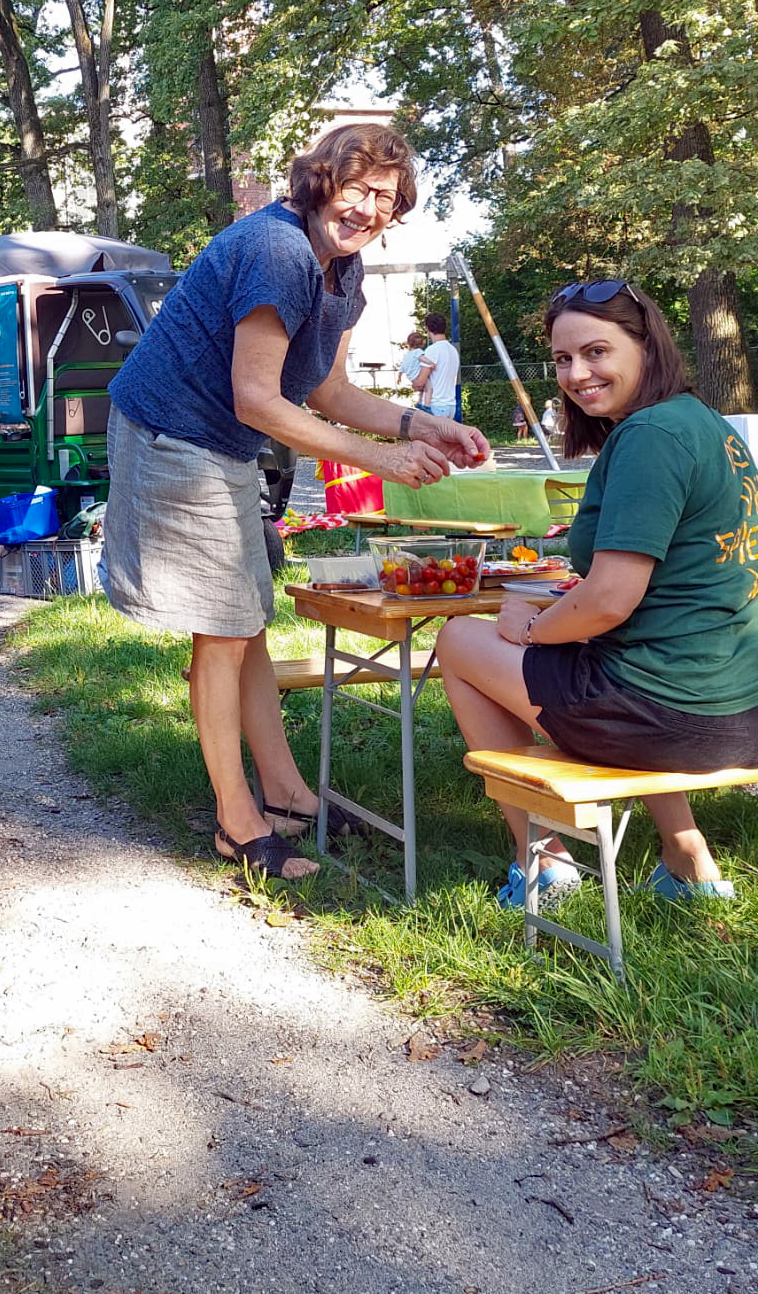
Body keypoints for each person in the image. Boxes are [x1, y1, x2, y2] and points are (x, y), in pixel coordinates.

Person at [100, 123, 490, 881]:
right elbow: (257, 398)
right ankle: (236, 821)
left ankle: (285, 796)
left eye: (385, 198)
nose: (368, 208)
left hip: (224, 440)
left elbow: (327, 391)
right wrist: (383, 459)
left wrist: (424, 425)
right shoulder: (277, 251)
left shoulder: (344, 269)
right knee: (223, 629)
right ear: (319, 184)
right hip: (171, 431)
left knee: (246, 617)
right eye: (356, 189)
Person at [436, 281, 758, 905]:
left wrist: (529, 628)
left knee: (459, 639)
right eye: (563, 359)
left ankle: (542, 860)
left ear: (646, 345)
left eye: (596, 352)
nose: (576, 374)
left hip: (683, 723)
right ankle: (688, 858)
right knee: (627, 660)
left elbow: (608, 601)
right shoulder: (710, 424)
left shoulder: (648, 436)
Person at [412, 311, 460, 418]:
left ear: (428, 328)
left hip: (435, 405)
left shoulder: (432, 350)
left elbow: (420, 383)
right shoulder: (453, 350)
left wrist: (413, 382)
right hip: (450, 405)